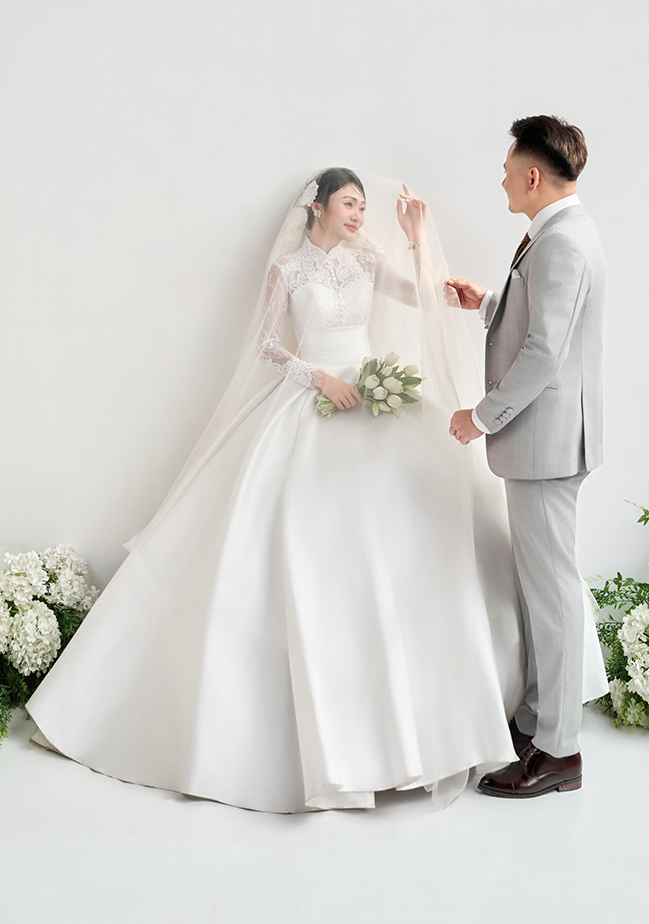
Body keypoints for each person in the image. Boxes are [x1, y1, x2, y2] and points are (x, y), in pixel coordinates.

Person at [27, 167, 538, 813]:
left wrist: (416, 235)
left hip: (373, 395)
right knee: (286, 534)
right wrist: (319, 377)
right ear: (317, 206)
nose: (358, 214)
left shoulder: (367, 261)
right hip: (313, 396)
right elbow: (267, 345)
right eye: (348, 203)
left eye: (362, 206)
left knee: (404, 526)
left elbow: (426, 296)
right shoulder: (289, 270)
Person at [448, 116, 606, 798]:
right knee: (544, 590)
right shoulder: (562, 230)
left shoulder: (562, 240)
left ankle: (559, 751)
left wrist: (481, 416)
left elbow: (544, 353)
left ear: (533, 175)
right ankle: (540, 718)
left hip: (546, 445)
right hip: (548, 441)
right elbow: (542, 324)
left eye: (509, 170)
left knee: (553, 594)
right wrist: (486, 303)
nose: (504, 181)